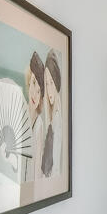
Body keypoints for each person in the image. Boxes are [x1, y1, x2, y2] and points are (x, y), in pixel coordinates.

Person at [24, 51, 46, 181]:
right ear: (28, 82)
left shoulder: (39, 124)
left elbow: (38, 167)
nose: (34, 94)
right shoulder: (19, 114)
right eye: (33, 83)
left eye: (39, 91)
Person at [42, 48, 63, 177]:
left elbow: (55, 167)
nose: (49, 89)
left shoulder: (57, 119)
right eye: (46, 83)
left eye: (51, 82)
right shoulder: (51, 117)